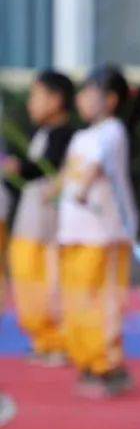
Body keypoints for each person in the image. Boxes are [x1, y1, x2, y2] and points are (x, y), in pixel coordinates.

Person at [57, 65, 140, 397]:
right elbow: (70, 176)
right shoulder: (81, 136)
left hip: (105, 233)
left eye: (89, 91)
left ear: (110, 100)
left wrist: (81, 186)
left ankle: (108, 366)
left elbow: (94, 167)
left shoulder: (112, 131)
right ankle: (87, 360)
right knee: (76, 300)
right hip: (74, 232)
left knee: (103, 301)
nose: (81, 98)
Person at [3, 71, 77, 365]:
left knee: (48, 284)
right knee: (25, 281)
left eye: (37, 96)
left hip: (48, 225)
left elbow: (46, 168)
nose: (31, 104)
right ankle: (42, 339)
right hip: (28, 222)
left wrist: (19, 167)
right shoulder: (41, 133)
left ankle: (57, 341)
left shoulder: (67, 135)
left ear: (56, 100)